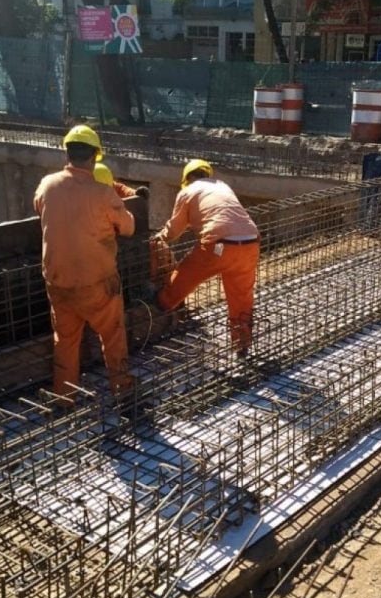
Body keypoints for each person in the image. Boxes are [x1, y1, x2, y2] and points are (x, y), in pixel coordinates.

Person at [33, 125, 136, 401]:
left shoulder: (47, 184)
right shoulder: (103, 193)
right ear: (94, 157)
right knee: (113, 337)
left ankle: (63, 399)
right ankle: (123, 393)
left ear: (67, 153)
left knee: (65, 342)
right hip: (97, 284)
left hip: (58, 282)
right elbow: (127, 228)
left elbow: (40, 208)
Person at [153, 159, 260, 357]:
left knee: (183, 276)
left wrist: (158, 239)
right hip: (250, 243)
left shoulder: (187, 192)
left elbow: (174, 229)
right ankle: (242, 345)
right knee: (241, 300)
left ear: (187, 179)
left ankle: (159, 308)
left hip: (218, 245)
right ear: (207, 174)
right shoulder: (222, 186)